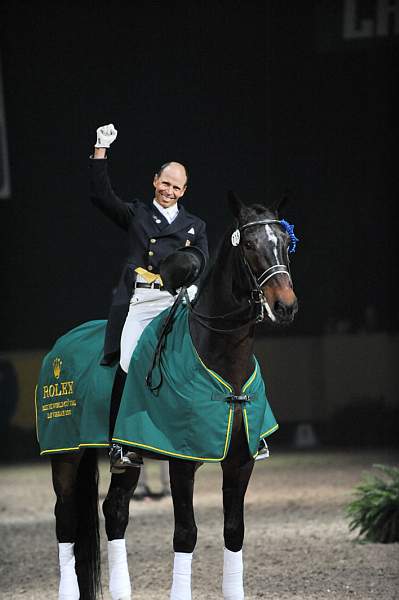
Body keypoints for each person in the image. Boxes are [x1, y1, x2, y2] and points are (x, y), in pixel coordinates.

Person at [89, 124, 209, 471]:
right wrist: (100, 149)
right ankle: (120, 444)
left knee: (207, 354)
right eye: (165, 183)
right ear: (155, 181)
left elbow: (202, 259)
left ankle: (215, 430)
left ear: (184, 190)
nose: (169, 190)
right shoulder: (137, 214)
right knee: (127, 360)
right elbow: (101, 195)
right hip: (141, 302)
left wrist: (194, 283)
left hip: (177, 302)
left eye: (176, 186)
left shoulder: (194, 226)